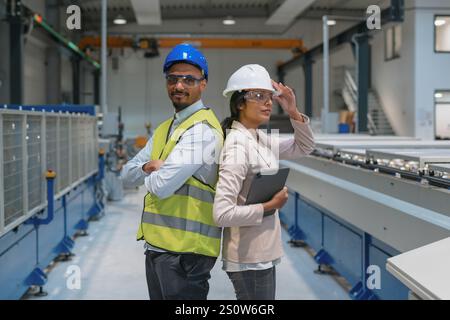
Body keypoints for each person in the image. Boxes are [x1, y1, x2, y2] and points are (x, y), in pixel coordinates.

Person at [121, 43, 224, 300]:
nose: (179, 86)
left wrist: (153, 172)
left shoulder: (202, 130)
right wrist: (148, 166)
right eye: (173, 79)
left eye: (189, 79)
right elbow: (125, 175)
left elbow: (161, 186)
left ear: (204, 84)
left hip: (187, 254)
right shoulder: (165, 128)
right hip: (157, 246)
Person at [213, 64, 315, 300]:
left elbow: (305, 146)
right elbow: (222, 213)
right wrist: (270, 206)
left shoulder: (258, 139)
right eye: (258, 96)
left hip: (260, 253)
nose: (268, 102)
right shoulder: (238, 145)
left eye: (270, 96)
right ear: (239, 103)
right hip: (249, 258)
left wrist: (293, 111)